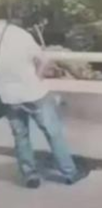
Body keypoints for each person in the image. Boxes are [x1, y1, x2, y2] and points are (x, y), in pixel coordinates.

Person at [0, 14, 83, 188]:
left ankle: (29, 175)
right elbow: (44, 60)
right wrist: (37, 77)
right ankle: (69, 172)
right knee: (53, 132)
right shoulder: (19, 34)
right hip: (33, 92)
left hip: (9, 96)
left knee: (21, 136)